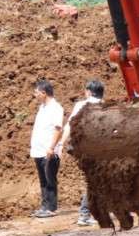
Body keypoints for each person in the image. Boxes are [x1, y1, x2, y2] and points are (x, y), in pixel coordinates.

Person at [60, 80, 105, 227]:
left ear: (89, 92)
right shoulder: (105, 106)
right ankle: (85, 214)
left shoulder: (81, 105)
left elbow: (69, 125)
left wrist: (61, 144)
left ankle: (91, 212)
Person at [30, 80, 64, 218]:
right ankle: (44, 206)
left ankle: (51, 208)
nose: (35, 95)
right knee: (43, 180)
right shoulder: (42, 107)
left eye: (37, 92)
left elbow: (58, 128)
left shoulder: (56, 108)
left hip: (48, 150)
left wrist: (51, 147)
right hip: (39, 150)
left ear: (44, 93)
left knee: (50, 179)